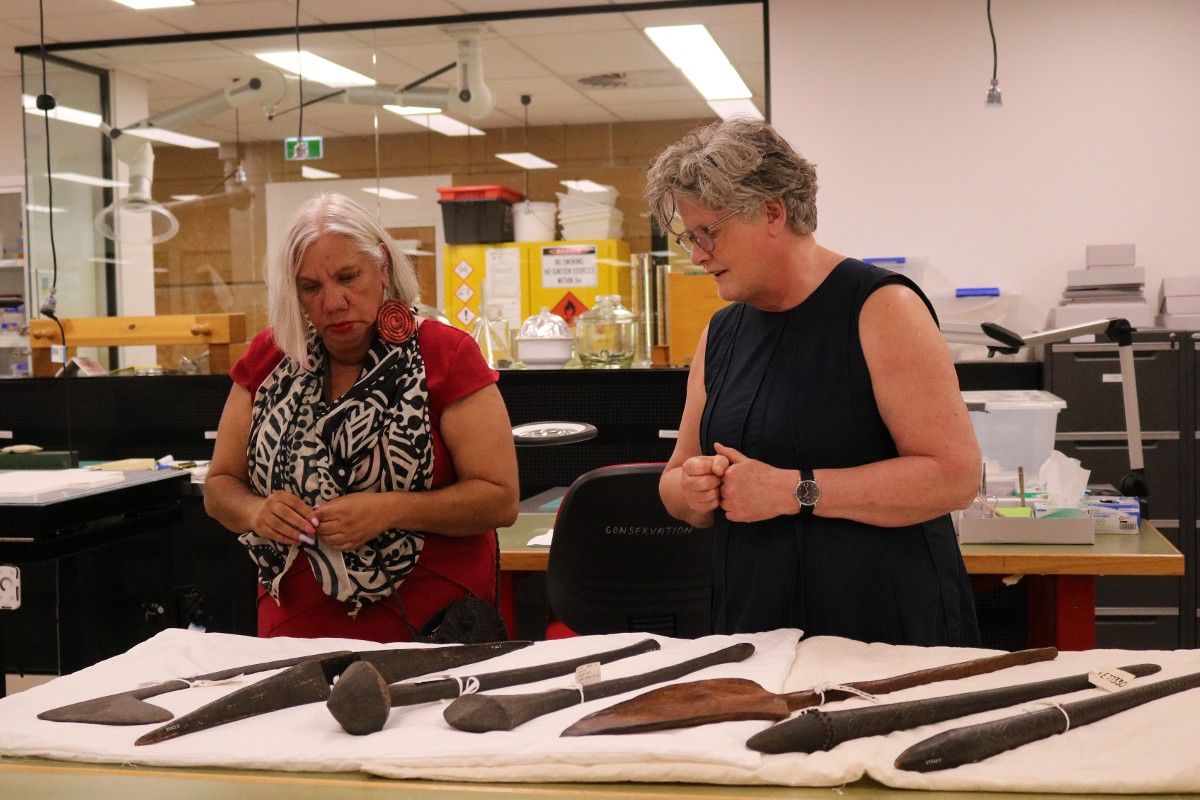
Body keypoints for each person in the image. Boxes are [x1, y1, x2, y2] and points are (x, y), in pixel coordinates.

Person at [646, 117, 982, 646]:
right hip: (757, 629)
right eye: (690, 237)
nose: (697, 254)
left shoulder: (880, 307)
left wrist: (793, 491)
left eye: (709, 232)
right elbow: (673, 485)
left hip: (883, 631)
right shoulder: (722, 333)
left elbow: (954, 477)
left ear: (773, 212)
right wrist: (695, 488)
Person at [205, 192, 519, 642]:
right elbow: (219, 487)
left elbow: (499, 499)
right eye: (311, 287)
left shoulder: (444, 355)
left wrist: (390, 510)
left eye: (348, 277)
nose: (334, 301)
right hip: (295, 622)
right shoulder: (269, 358)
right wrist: (257, 512)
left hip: (428, 623)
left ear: (383, 268)